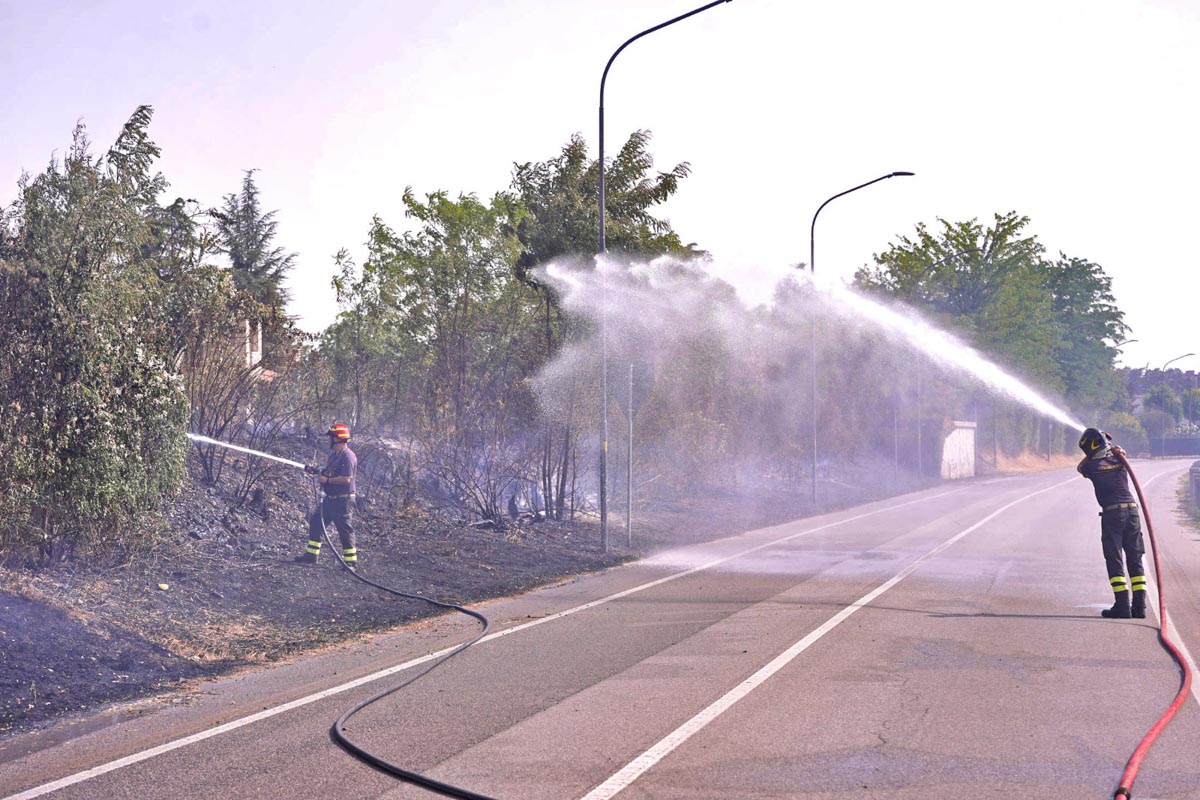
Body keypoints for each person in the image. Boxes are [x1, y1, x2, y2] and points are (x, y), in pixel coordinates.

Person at [1076, 428, 1145, 619]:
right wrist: (1117, 451)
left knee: (1114, 558)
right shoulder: (1120, 460)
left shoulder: (1091, 466)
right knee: (1135, 557)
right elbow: (1122, 456)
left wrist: (1094, 455)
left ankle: (1122, 606)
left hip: (1113, 514)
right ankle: (1139, 607)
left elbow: (1080, 468)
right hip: (1132, 511)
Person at [295, 423, 359, 569]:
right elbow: (329, 471)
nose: (328, 440)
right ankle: (311, 555)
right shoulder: (333, 455)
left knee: (344, 530)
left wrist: (328, 480)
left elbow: (346, 478)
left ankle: (350, 562)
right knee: (317, 521)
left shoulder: (348, 456)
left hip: (343, 500)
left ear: (338, 438)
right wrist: (317, 471)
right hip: (331, 499)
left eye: (330, 437)